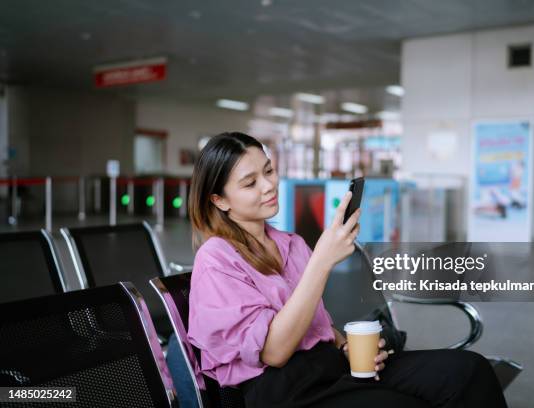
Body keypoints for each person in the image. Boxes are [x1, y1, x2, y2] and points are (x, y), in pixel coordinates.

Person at [187, 132, 508, 408]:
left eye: (268, 171)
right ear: (219, 200)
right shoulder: (216, 258)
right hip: (284, 390)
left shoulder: (291, 244)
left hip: (330, 364)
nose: (269, 185)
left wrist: (345, 344)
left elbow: (314, 323)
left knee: (470, 371)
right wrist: (322, 261)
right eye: (250, 183)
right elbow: (274, 352)